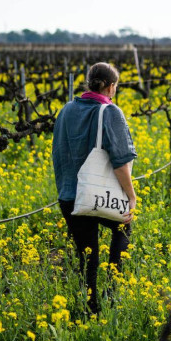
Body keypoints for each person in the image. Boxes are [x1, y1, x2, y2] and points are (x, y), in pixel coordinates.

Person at [52, 62, 137, 313]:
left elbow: (59, 153)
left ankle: (89, 309)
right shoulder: (110, 112)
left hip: (71, 196)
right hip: (102, 194)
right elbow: (121, 162)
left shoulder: (66, 110)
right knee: (122, 228)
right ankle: (111, 294)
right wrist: (131, 196)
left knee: (86, 255)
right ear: (111, 87)